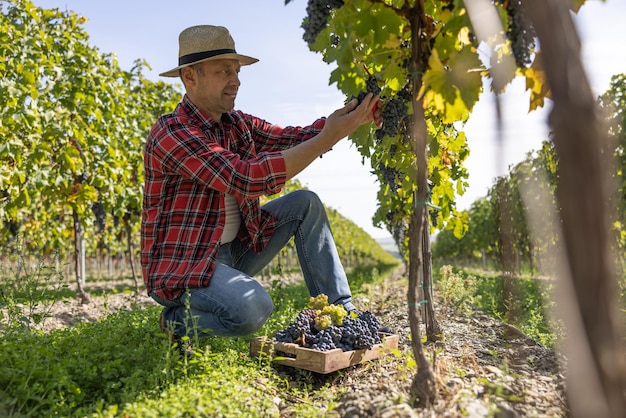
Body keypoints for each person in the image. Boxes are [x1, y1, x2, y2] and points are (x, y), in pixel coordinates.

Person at [140, 25, 381, 353]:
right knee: (253, 308)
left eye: (237, 71)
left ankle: (340, 312)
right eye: (224, 71)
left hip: (234, 252)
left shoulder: (237, 124)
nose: (236, 80)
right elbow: (245, 177)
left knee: (304, 204)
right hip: (185, 265)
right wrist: (329, 136)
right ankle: (176, 322)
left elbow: (293, 137)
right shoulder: (172, 133)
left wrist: (352, 117)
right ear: (190, 76)